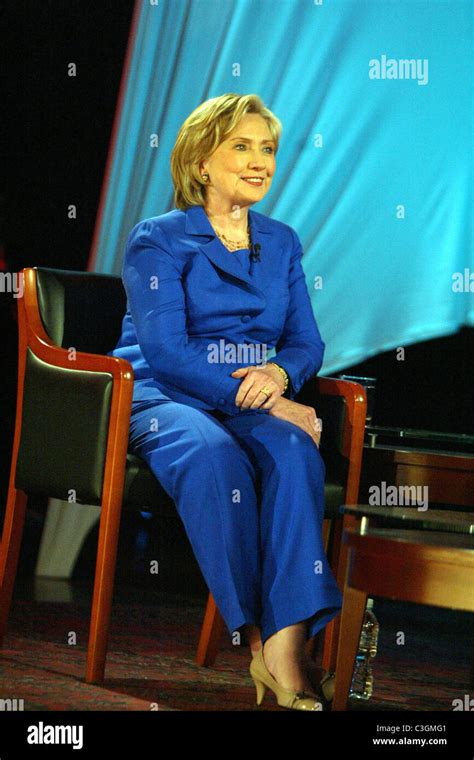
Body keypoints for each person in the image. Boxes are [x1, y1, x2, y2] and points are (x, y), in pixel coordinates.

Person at [110, 93, 342, 710]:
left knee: (296, 452)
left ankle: (287, 647)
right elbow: (164, 351)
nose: (259, 161)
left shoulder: (282, 241)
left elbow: (305, 342)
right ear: (200, 161)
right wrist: (264, 397)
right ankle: (264, 640)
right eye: (241, 146)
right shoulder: (158, 239)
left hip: (250, 398)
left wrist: (279, 373)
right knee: (215, 457)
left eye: (267, 148)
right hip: (166, 396)